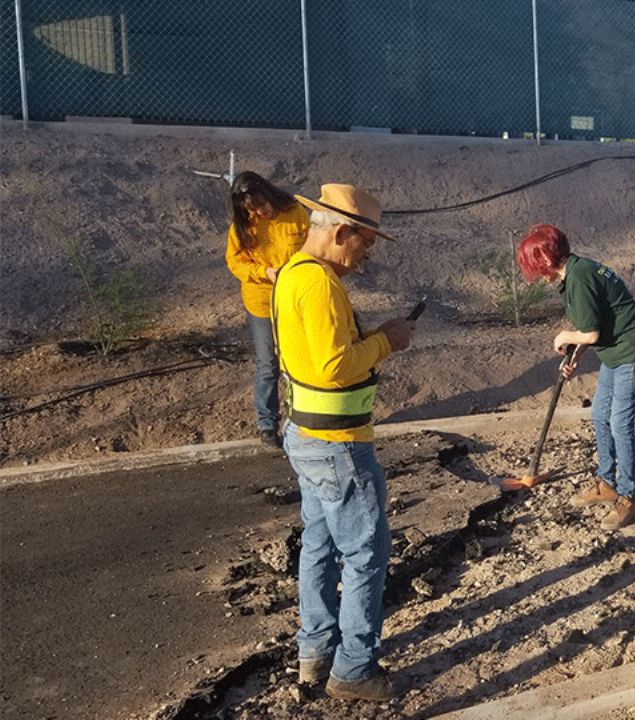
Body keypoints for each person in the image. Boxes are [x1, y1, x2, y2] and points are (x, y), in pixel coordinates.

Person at [271, 184, 416, 701]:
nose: (367, 255)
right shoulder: (321, 285)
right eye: (366, 243)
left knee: (319, 544)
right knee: (366, 552)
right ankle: (354, 669)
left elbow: (318, 355)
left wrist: (369, 339)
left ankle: (315, 651)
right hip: (338, 445)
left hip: (306, 436)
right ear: (341, 232)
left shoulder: (291, 274)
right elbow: (334, 367)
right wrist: (386, 342)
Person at [517, 224, 635, 531]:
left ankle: (627, 496)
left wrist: (563, 337)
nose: (534, 275)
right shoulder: (575, 272)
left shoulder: (579, 278)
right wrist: (576, 358)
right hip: (615, 349)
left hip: (632, 348)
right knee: (600, 415)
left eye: (533, 265)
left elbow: (590, 333)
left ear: (544, 261)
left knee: (620, 422)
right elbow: (594, 325)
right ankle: (606, 482)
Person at [225, 171, 310, 449]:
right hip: (261, 301)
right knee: (268, 364)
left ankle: (303, 419)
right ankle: (267, 424)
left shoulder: (295, 211)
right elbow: (235, 262)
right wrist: (264, 272)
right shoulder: (242, 226)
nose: (260, 213)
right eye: (252, 210)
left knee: (298, 360)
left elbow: (312, 249)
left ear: (269, 195)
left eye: (262, 206)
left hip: (295, 298)